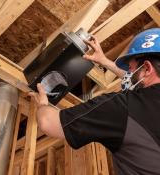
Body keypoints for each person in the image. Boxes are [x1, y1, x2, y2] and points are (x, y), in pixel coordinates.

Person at [29, 28, 160, 175]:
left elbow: (48, 122)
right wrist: (104, 61)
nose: (129, 75)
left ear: (147, 68)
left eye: (131, 68)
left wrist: (43, 105)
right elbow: (135, 79)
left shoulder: (121, 108)